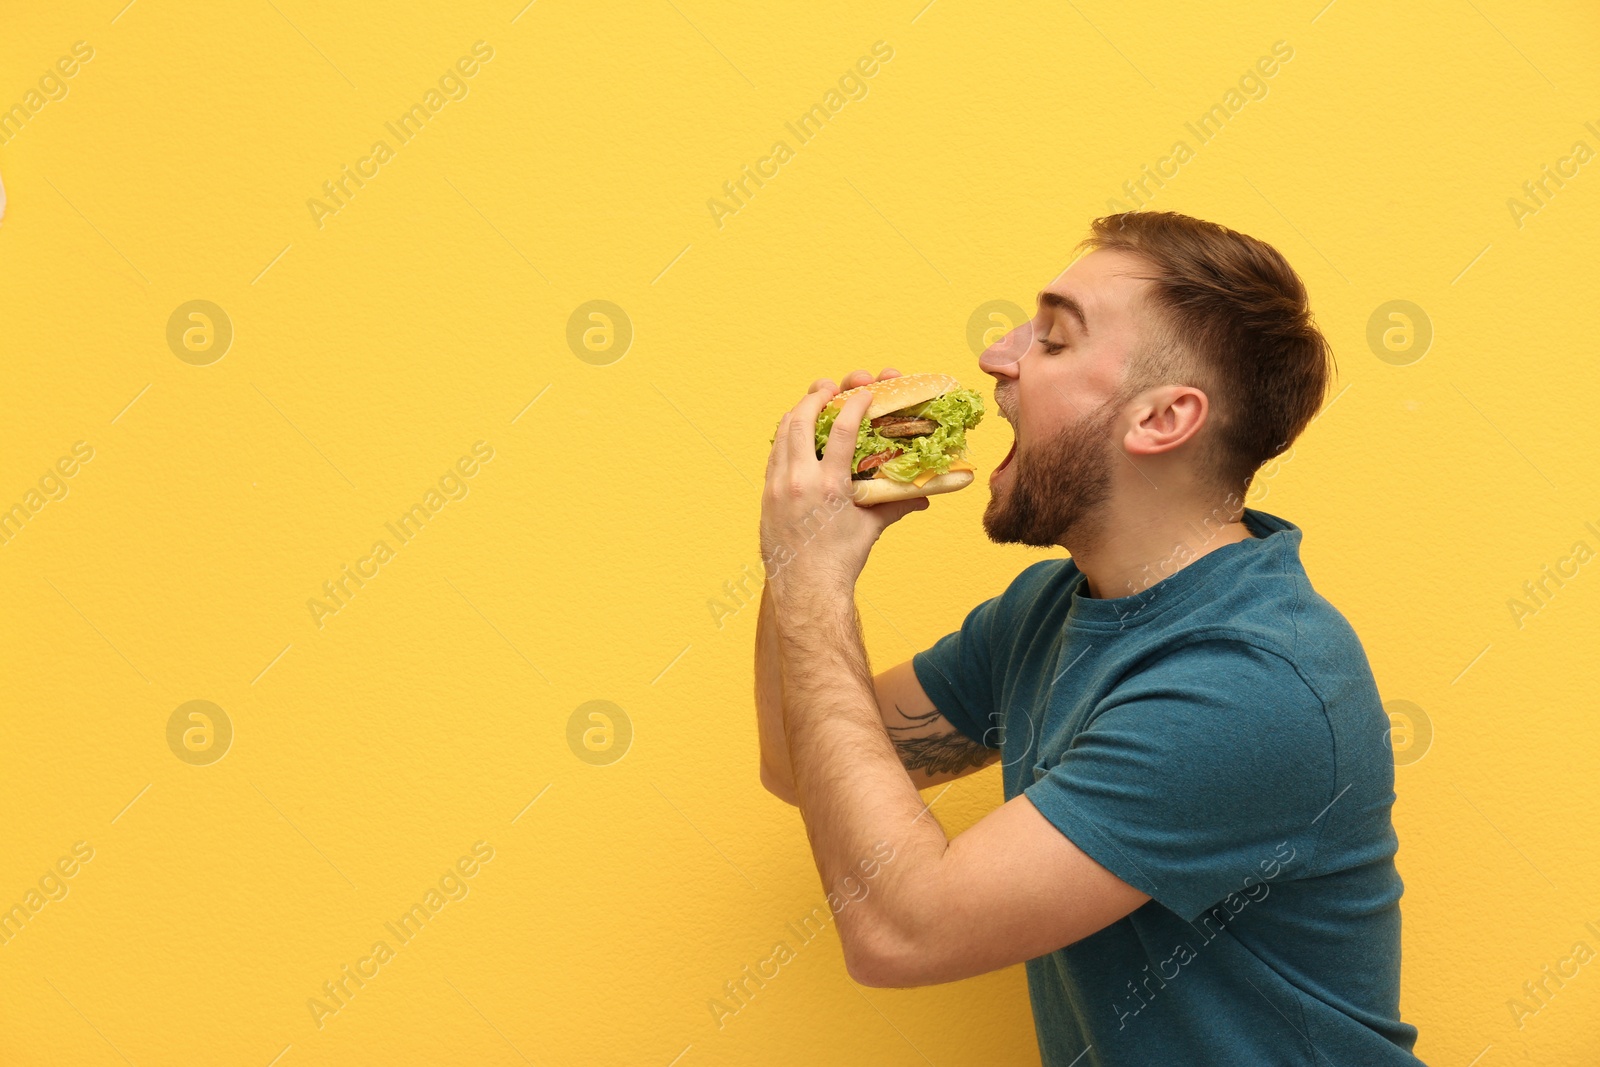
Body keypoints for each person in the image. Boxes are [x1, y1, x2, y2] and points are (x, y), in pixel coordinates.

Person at [754, 210, 1425, 1065]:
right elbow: (795, 759)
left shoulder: (1249, 681)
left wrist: (812, 586)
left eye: (1055, 340)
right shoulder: (1050, 608)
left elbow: (901, 931)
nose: (999, 354)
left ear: (1161, 418)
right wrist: (797, 561)